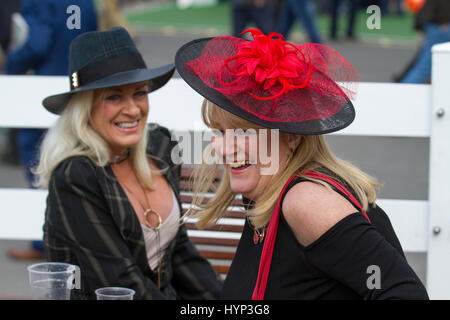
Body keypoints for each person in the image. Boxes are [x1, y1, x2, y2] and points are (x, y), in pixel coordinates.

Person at [175, 28, 429, 299]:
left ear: (292, 136)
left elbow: (404, 293)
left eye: (244, 133)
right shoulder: (265, 193)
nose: (223, 149)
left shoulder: (305, 201)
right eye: (220, 132)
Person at [37, 27, 222, 300]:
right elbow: (119, 284)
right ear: (84, 107)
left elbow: (179, 251)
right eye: (114, 97)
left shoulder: (159, 145)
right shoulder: (75, 176)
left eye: (139, 92)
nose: (134, 109)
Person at [6, 0, 97, 261]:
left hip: (46, 91)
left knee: (39, 163)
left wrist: (10, 66)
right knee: (79, 161)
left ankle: (43, 241)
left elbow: (36, 43)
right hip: (82, 87)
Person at [400, 0, 450, 84]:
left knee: (425, 61)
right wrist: (443, 20)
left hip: (435, 22)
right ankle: (406, 89)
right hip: (438, 24)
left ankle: (404, 83)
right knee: (426, 64)